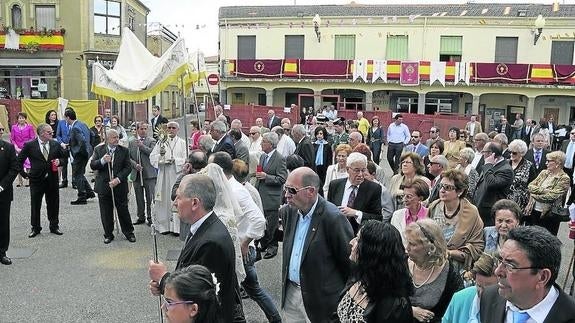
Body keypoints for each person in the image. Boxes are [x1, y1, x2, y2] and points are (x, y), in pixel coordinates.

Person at [148, 174, 240, 323]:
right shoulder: (203, 228)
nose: (174, 204)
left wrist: (163, 278)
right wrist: (163, 286)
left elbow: (198, 292)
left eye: (178, 198)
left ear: (195, 203)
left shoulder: (211, 242)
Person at [211, 152, 281, 323]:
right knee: (243, 290)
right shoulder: (225, 188)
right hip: (231, 250)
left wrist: (245, 242)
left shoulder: (237, 190)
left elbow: (259, 221)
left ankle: (275, 319)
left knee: (250, 289)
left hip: (241, 251)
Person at [280, 167, 354, 322]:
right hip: (292, 294)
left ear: (311, 191)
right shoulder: (289, 211)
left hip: (321, 302)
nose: (286, 195)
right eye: (285, 189)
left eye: (292, 190)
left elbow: (349, 265)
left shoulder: (333, 218)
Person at [479, 226, 575, 323]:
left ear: (542, 277)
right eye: (500, 260)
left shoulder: (570, 314)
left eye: (510, 265)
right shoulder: (489, 297)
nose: (498, 272)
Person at [337, 221, 413, 322]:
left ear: (372, 251)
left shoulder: (395, 305)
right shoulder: (358, 277)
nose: (351, 242)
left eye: (358, 240)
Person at [405, 219, 464, 323]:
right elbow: (388, 300)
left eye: (412, 244)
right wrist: (410, 310)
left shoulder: (449, 273)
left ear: (430, 247)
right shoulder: (402, 264)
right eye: (407, 243)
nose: (407, 248)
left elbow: (457, 310)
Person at [428, 169, 485, 272]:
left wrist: (449, 253)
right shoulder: (434, 207)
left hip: (458, 268)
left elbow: (477, 247)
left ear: (460, 191)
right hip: (433, 263)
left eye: (448, 187)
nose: (442, 190)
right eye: (440, 186)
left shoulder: (471, 212)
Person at [17, 123, 67, 238]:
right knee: (35, 204)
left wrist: (60, 161)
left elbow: (64, 157)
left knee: (53, 203)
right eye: (49, 132)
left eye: (52, 132)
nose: (52, 134)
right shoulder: (30, 145)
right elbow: (19, 161)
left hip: (52, 179)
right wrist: (24, 174)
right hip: (36, 179)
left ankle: (54, 225)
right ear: (41, 133)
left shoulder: (55, 144)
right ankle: (35, 227)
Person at [90, 129, 136, 244]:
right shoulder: (99, 149)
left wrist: (118, 179)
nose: (117, 139)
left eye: (117, 137)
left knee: (123, 209)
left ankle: (129, 232)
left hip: (119, 185)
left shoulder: (124, 150)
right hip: (104, 186)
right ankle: (108, 234)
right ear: (107, 139)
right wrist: (103, 161)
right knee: (106, 211)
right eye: (114, 137)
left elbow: (128, 167)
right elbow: (93, 165)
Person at [327, 152, 382, 234]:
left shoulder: (374, 189)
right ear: (347, 169)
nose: (360, 174)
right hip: (336, 233)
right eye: (356, 170)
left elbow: (377, 218)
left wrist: (356, 213)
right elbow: (328, 211)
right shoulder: (335, 185)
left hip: (359, 236)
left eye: (363, 170)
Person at [150, 121, 188, 235]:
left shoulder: (182, 143)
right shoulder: (161, 142)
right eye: (169, 128)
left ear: (177, 130)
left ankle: (176, 228)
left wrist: (175, 161)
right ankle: (164, 226)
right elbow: (153, 157)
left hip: (176, 174)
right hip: (163, 174)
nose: (171, 130)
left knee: (175, 198)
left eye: (173, 128)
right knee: (163, 199)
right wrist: (161, 160)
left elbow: (186, 158)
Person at [255, 132, 287, 259]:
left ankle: (272, 247)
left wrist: (266, 177)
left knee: (272, 224)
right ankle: (263, 243)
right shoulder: (263, 156)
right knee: (262, 221)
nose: (261, 144)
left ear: (271, 144)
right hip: (261, 194)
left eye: (264, 142)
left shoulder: (280, 158)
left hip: (272, 197)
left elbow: (282, 178)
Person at [442, 253, 498, 323]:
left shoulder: (509, 307)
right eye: (479, 285)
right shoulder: (459, 299)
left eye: (489, 288)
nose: (481, 293)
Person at [526, 150, 570, 235]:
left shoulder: (564, 178)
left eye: (549, 161)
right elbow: (530, 186)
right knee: (533, 238)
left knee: (547, 240)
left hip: (549, 214)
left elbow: (552, 196)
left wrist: (535, 195)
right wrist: (544, 191)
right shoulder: (544, 173)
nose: (546, 163)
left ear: (558, 163)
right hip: (534, 210)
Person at [473, 142, 513, 226]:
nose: (482, 154)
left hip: (490, 212)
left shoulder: (506, 169)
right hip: (479, 208)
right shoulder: (489, 164)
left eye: (484, 152)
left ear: (491, 154)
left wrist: (488, 165)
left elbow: (491, 183)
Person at [128, 122, 157, 226]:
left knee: (150, 197)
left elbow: (153, 153)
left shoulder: (152, 141)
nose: (143, 130)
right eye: (141, 129)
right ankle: (141, 216)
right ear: (137, 130)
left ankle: (150, 217)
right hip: (136, 173)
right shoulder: (131, 142)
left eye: (145, 129)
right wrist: (134, 165)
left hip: (149, 174)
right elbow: (128, 156)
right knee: (139, 197)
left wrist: (142, 146)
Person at [65, 108, 96, 205]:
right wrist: (89, 147)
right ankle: (89, 192)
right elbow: (92, 134)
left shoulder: (75, 128)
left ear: (68, 117)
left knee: (77, 174)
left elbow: (81, 141)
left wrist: (78, 151)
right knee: (80, 173)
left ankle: (81, 196)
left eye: (65, 118)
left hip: (80, 154)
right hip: (87, 152)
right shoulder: (82, 124)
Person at [0, 124, 20, 265]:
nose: (1, 131)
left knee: (3, 223)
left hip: (3, 192)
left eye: (2, 129)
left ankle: (2, 252)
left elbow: (14, 168)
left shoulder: (8, 148)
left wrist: (2, 185)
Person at [390, 178, 430, 245]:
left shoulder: (429, 214)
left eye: (409, 197)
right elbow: (392, 239)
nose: (404, 199)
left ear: (420, 198)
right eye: (403, 195)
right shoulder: (397, 215)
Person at [506, 139, 536, 213]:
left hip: (521, 202)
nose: (511, 155)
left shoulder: (529, 165)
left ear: (522, 153)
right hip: (504, 200)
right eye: (510, 152)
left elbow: (533, 185)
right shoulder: (505, 163)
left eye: (514, 153)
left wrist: (530, 203)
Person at [10, 111, 35, 187]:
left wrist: (26, 147)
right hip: (17, 149)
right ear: (17, 119)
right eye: (20, 118)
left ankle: (28, 180)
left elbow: (32, 138)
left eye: (23, 118)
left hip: (27, 148)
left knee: (28, 165)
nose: (21, 119)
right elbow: (12, 139)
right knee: (18, 165)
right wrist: (16, 147)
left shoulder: (30, 127)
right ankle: (19, 181)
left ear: (25, 119)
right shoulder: (14, 127)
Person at [56, 110, 72, 188]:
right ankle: (64, 181)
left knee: (74, 164)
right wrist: (61, 143)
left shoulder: (74, 123)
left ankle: (75, 181)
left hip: (72, 146)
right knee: (64, 164)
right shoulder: (61, 123)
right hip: (63, 146)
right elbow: (58, 135)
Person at [313, 126, 332, 190]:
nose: (319, 135)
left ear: (324, 134)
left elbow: (329, 158)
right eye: (317, 134)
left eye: (321, 134)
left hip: (324, 167)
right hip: (316, 167)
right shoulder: (314, 145)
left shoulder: (327, 145)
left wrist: (328, 168)